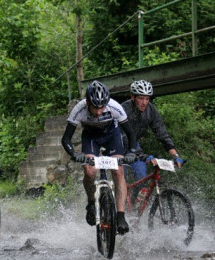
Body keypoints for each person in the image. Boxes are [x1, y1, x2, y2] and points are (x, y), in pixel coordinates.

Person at [61, 80, 137, 234]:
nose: (98, 112)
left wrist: (131, 152)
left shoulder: (115, 106)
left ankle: (121, 216)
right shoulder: (79, 109)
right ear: (88, 102)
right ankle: (90, 203)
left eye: (102, 107)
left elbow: (130, 133)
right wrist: (74, 154)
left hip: (112, 136)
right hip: (91, 138)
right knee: (89, 171)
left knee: (118, 171)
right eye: (95, 107)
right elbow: (66, 139)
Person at [121, 80, 183, 193]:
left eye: (147, 98)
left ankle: (134, 206)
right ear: (133, 97)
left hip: (135, 145)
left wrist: (175, 155)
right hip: (118, 145)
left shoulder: (150, 110)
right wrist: (141, 154)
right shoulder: (123, 109)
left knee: (141, 175)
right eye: (141, 98)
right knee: (120, 178)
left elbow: (162, 133)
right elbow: (124, 136)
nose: (144, 102)